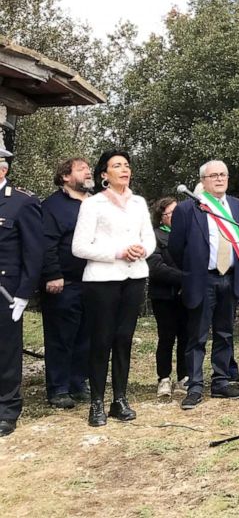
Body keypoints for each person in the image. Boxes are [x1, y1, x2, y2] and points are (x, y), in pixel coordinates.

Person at [71, 149, 156, 427]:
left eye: (127, 165)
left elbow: (149, 239)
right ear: (104, 174)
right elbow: (80, 247)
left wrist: (141, 249)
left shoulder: (139, 202)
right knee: (102, 339)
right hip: (102, 280)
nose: (124, 169)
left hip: (134, 276)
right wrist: (119, 252)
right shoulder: (93, 204)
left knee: (124, 338)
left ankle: (119, 399)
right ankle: (96, 402)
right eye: (117, 165)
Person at [169, 160, 239, 410]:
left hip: (230, 276)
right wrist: (193, 269)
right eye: (214, 175)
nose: (220, 179)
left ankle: (221, 380)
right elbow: (175, 248)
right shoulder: (187, 209)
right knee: (197, 335)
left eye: (223, 174)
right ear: (203, 180)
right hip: (203, 278)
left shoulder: (237, 206)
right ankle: (194, 386)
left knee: (225, 333)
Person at [40, 157, 93, 409]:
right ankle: (58, 388)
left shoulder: (96, 204)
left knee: (86, 334)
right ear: (65, 177)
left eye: (88, 169)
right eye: (82, 169)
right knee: (61, 336)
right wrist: (52, 274)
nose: (88, 172)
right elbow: (46, 243)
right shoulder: (52, 206)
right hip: (64, 282)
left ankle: (77, 382)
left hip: (93, 281)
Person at [0, 148, 44, 437]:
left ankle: (6, 409)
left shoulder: (21, 202)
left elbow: (34, 250)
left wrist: (25, 292)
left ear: (2, 168)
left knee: (5, 352)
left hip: (5, 290)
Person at [147, 196, 187, 398]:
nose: (175, 217)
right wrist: (185, 279)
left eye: (177, 212)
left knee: (186, 337)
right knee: (166, 337)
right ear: (161, 217)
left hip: (187, 295)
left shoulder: (190, 234)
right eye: (170, 213)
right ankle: (164, 377)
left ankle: (184, 377)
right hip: (164, 295)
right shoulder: (154, 236)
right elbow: (155, 267)